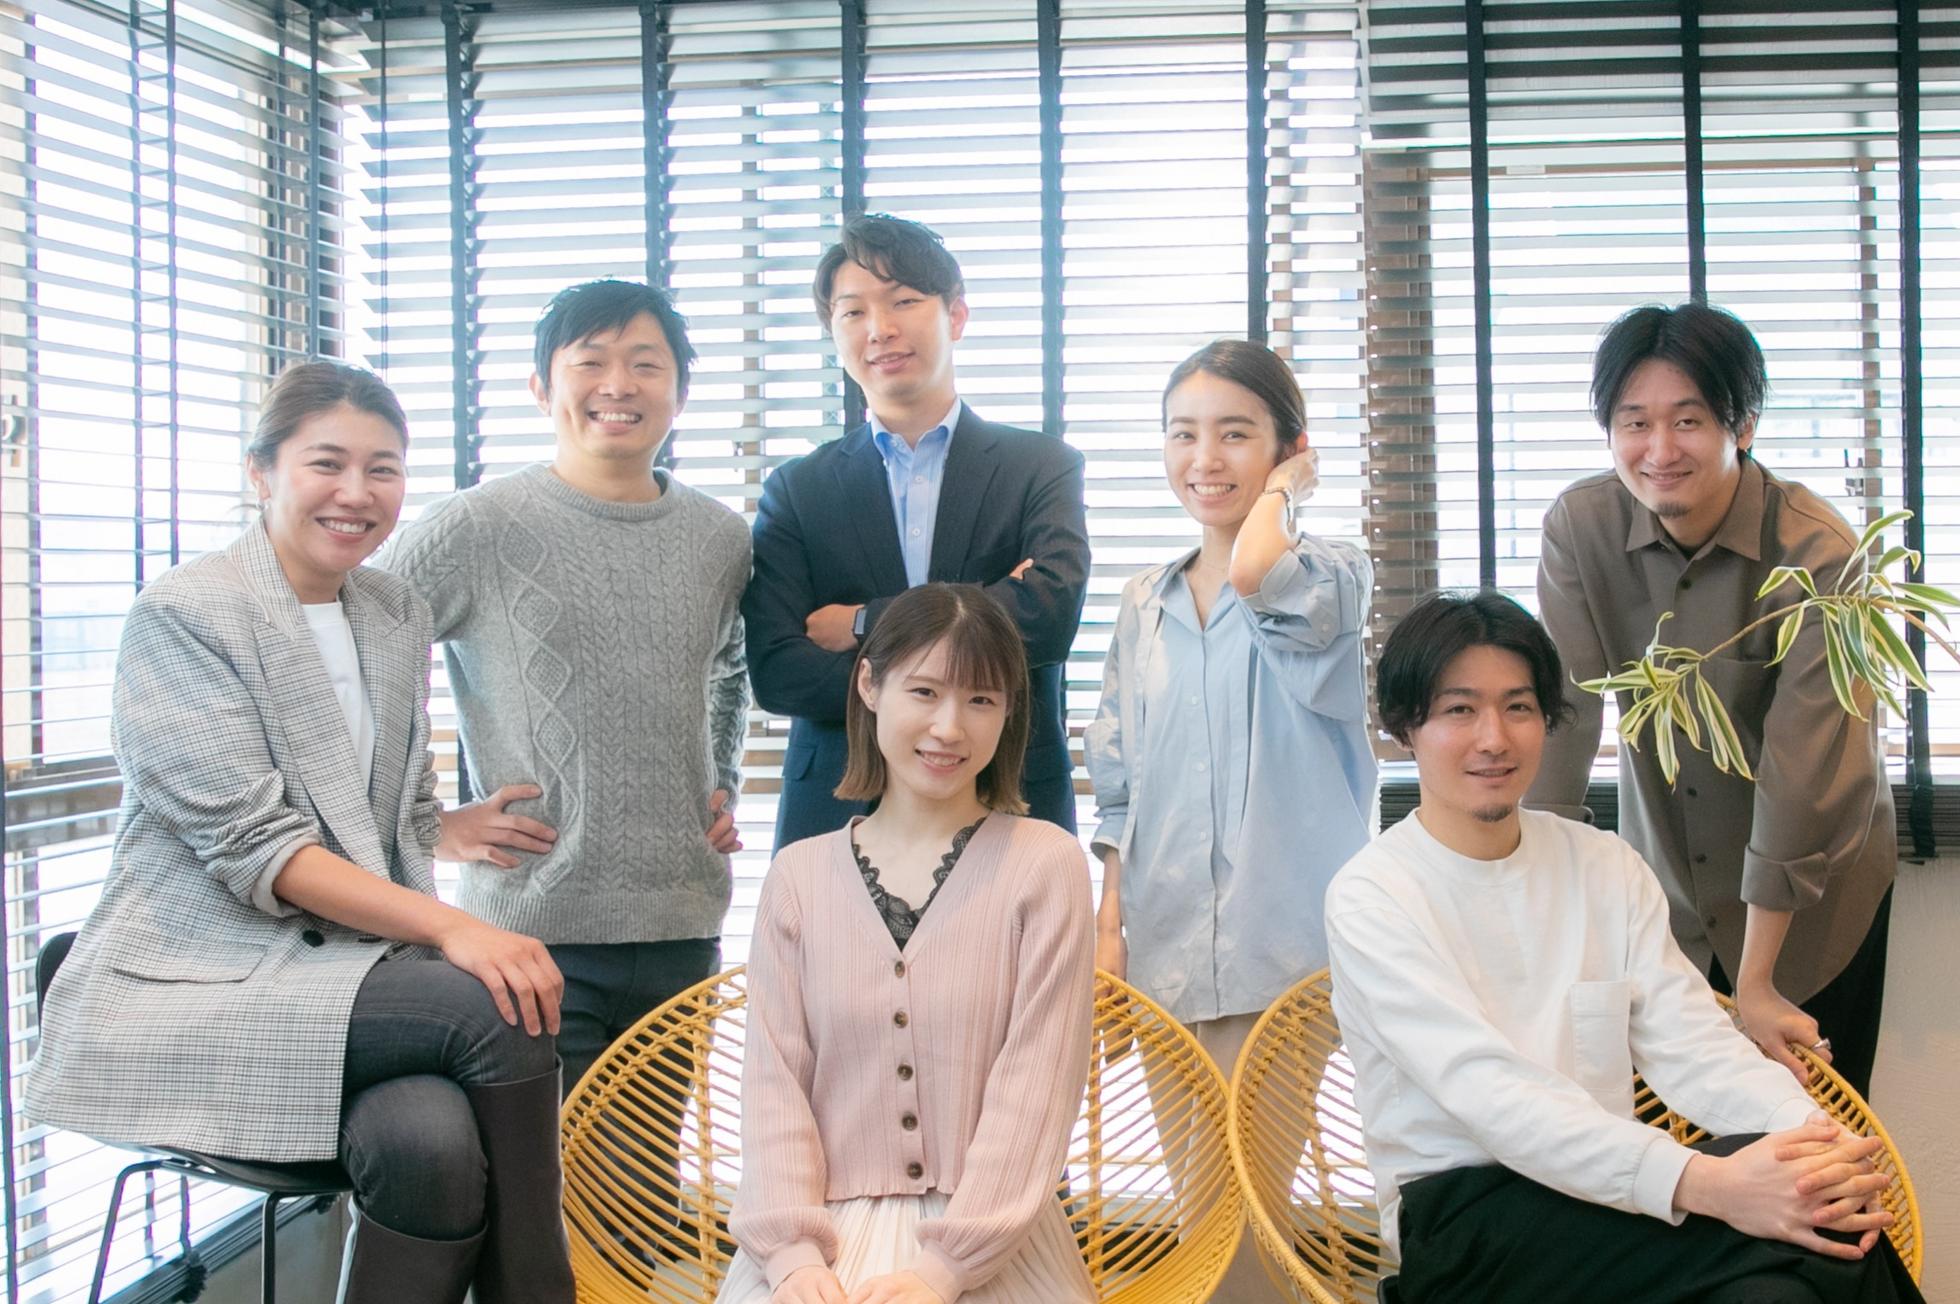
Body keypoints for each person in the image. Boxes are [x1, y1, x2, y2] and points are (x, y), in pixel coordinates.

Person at [25, 362, 575, 1302]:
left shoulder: (392, 612)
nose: (357, 493)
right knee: (494, 1003)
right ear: (262, 471)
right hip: (203, 982)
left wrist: (447, 830)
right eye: (328, 463)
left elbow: (385, 815)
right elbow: (260, 847)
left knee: (429, 1146)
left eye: (383, 469)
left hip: (345, 979)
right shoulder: (186, 614)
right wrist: (454, 926)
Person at [1325, 590, 1921, 1304]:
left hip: (1609, 1193)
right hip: (1464, 1218)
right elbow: (1494, 1096)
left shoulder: (1601, 864)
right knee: (1820, 1231)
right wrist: (1711, 1183)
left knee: (1793, 1255)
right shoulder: (1373, 896)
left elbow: (1692, 1042)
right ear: (1404, 727)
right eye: (1460, 710)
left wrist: (1815, 1140)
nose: (1494, 738)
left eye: (1518, 707)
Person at [380, 279, 751, 1093]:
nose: (619, 385)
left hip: (681, 928)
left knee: (643, 1171)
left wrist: (720, 782)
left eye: (646, 364)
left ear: (680, 392)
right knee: (536, 1172)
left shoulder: (721, 538)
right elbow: (359, 654)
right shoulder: (474, 526)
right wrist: (428, 825)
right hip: (526, 933)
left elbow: (731, 666)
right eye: (590, 362)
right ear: (542, 387)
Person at [1526, 303, 1895, 1098]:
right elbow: (1562, 718)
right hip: (1668, 897)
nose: (1659, 450)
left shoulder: (1818, 554)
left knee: (1820, 1141)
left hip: (1813, 905)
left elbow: (1803, 777)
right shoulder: (1581, 530)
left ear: (1743, 425)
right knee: (1681, 1141)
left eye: (1687, 420)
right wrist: (1533, 905)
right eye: (1635, 422)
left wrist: (1757, 983)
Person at [1083, 339, 1374, 1302]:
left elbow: (1256, 571)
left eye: (1236, 435)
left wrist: (1288, 490)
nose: (1204, 459)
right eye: (1183, 434)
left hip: (1280, 954)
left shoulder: (1329, 576)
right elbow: (1119, 786)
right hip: (1166, 948)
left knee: (1247, 1217)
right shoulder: (1143, 602)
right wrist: (1110, 934)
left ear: (1288, 447)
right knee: (1202, 1215)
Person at [722, 583, 1095, 1304]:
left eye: (981, 700)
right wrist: (793, 1260)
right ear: (869, 684)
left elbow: (1038, 1087)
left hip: (994, 1245)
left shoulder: (1044, 865)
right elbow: (774, 1087)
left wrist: (943, 1272)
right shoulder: (798, 877)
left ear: (1010, 711)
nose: (949, 728)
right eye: (924, 692)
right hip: (816, 1244)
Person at [744, 214, 1091, 848]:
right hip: (837, 807)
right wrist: (989, 612)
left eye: (903, 301)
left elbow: (1047, 616)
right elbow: (779, 670)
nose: (879, 328)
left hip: (1009, 795)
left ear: (955, 315)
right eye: (853, 312)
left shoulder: (1041, 466)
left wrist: (862, 623)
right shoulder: (798, 489)